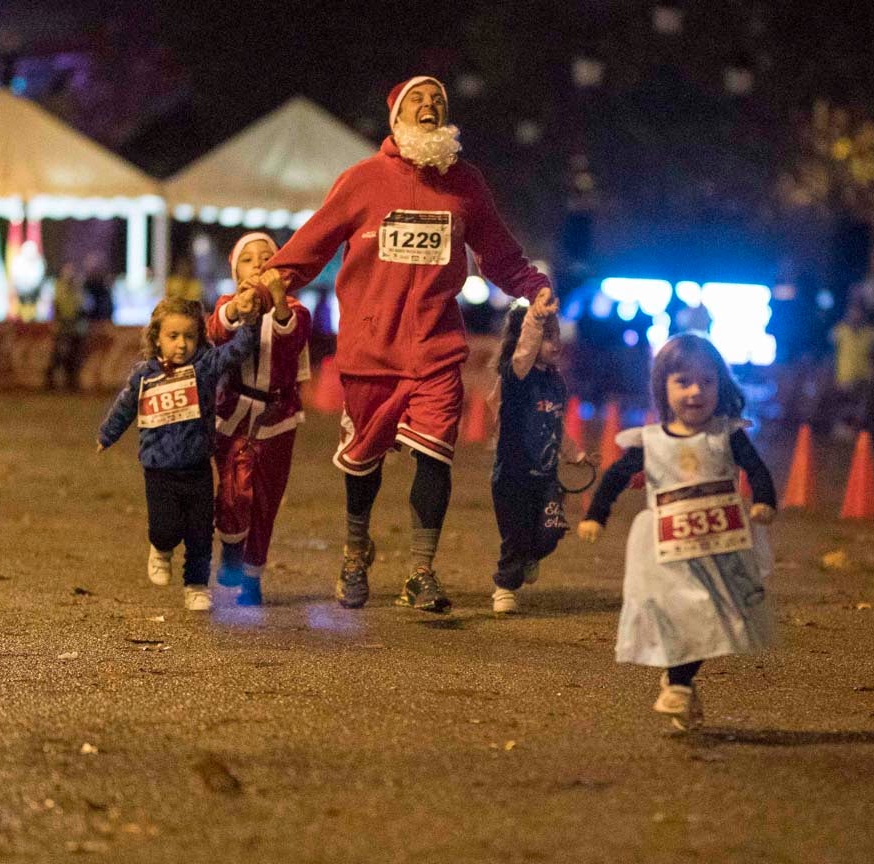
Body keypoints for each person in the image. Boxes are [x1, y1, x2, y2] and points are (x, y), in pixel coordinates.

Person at [244, 75, 552, 613]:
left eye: (438, 101)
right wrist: (266, 283)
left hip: (436, 349)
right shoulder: (361, 180)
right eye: (418, 101)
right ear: (396, 118)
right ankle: (356, 551)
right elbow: (311, 243)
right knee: (363, 464)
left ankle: (420, 571)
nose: (430, 106)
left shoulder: (466, 184)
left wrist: (534, 287)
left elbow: (498, 254)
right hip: (370, 351)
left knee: (435, 458)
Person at [578, 333, 777, 731]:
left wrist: (764, 501)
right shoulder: (649, 442)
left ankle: (679, 682)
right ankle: (680, 685)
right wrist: (596, 515)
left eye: (707, 382)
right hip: (665, 548)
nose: (695, 391)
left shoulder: (728, 434)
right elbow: (617, 476)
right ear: (662, 387)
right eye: (683, 382)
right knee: (679, 612)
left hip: (720, 543)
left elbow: (756, 469)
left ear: (720, 385)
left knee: (711, 614)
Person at [97, 295, 261, 612]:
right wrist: (108, 434)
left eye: (189, 336)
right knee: (165, 527)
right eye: (173, 337)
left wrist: (250, 322)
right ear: (156, 338)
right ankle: (160, 549)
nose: (182, 345)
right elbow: (124, 407)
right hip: (159, 471)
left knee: (201, 532)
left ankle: (196, 586)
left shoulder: (205, 367)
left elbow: (238, 351)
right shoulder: (144, 375)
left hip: (198, 466)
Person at [206, 233, 313, 606]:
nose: (259, 264)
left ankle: (252, 576)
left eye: (267, 257)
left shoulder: (296, 310)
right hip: (233, 415)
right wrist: (238, 308)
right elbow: (217, 329)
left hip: (277, 418)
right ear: (236, 271)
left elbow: (290, 338)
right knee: (233, 491)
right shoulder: (227, 305)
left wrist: (277, 300)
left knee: (266, 498)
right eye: (248, 259)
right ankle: (231, 545)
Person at [489, 293, 595, 614]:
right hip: (512, 477)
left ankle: (528, 559)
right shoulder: (517, 377)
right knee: (516, 535)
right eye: (548, 337)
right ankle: (505, 587)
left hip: (546, 478)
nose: (556, 343)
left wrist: (574, 454)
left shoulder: (555, 382)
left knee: (551, 532)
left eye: (557, 336)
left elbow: (555, 423)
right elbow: (523, 353)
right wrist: (535, 318)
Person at [827, 300, 874, 436]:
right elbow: (832, 353)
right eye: (852, 313)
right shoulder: (840, 331)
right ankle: (842, 430)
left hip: (863, 376)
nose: (855, 316)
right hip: (844, 376)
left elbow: (873, 355)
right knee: (843, 405)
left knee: (858, 406)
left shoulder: (869, 333)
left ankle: (856, 431)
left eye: (858, 313)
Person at [45, 264, 87, 391]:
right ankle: (51, 381)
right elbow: (57, 308)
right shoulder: (60, 288)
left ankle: (70, 381)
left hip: (73, 328)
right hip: (64, 327)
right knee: (59, 356)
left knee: (72, 356)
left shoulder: (76, 290)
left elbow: (81, 309)